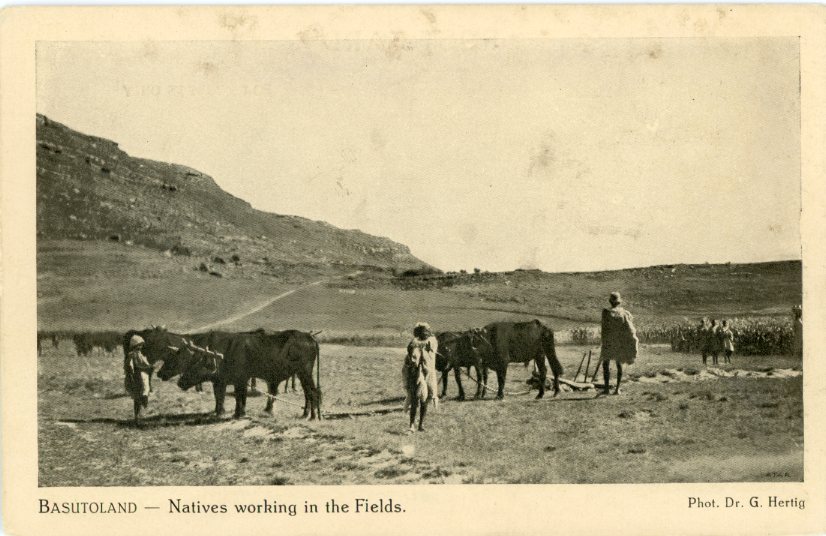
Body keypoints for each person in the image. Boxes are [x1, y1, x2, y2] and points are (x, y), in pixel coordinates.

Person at [598, 292, 638, 396]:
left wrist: (603, 341)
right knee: (619, 364)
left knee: (605, 364)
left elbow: (604, 328)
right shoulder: (624, 313)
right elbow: (629, 328)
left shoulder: (606, 312)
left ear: (610, 301)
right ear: (618, 302)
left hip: (609, 341)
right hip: (619, 342)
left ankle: (606, 389)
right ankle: (617, 389)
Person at [403, 322, 439, 432]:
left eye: (425, 331)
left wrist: (425, 351)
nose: (424, 333)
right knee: (415, 398)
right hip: (416, 373)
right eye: (421, 331)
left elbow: (431, 352)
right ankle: (412, 424)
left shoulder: (432, 341)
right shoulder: (414, 342)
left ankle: (421, 424)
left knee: (426, 399)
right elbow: (410, 356)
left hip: (429, 373)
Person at [124, 335, 153, 421]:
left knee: (138, 397)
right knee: (140, 396)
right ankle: (138, 416)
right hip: (139, 377)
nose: (141, 346)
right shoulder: (134, 355)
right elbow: (139, 365)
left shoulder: (134, 354)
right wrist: (149, 367)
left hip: (138, 377)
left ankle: (138, 416)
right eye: (139, 345)